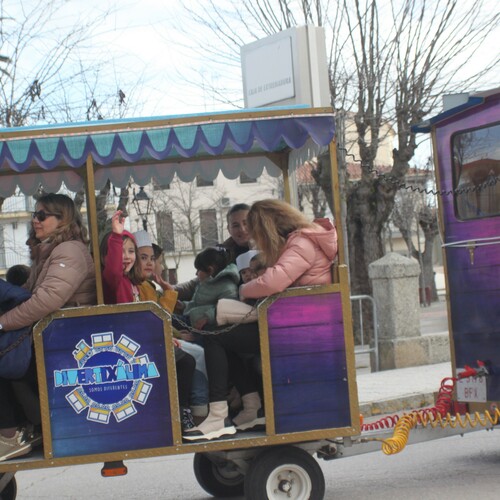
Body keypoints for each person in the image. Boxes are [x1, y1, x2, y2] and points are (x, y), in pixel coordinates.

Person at [184, 199, 338, 441]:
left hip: (295, 330)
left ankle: (221, 414)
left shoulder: (301, 243)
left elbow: (274, 281)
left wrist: (245, 291)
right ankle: (249, 406)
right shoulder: (301, 240)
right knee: (220, 335)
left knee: (215, 336)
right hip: (291, 325)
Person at [0, 193, 96, 461]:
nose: (35, 220)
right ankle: (26, 426)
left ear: (62, 219)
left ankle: (9, 434)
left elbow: (47, 299)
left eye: (42, 215)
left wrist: (2, 322)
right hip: (57, 338)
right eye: (35, 214)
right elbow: (29, 293)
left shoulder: (68, 250)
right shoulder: (50, 251)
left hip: (68, 343)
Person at [100, 212, 196, 434]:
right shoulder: (115, 280)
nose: (126, 257)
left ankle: (181, 413)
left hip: (138, 341)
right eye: (120, 252)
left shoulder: (133, 283)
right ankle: (181, 415)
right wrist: (116, 234)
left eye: (131, 251)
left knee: (186, 361)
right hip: (127, 346)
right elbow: (113, 270)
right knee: (186, 362)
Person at [133, 230, 209, 422]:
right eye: (144, 258)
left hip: (158, 337)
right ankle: (198, 411)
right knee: (196, 356)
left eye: (152, 258)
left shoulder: (147, 286)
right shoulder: (142, 287)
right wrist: (169, 292)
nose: (151, 263)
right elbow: (159, 318)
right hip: (150, 341)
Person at [174, 203, 250, 302]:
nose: (242, 229)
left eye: (246, 223)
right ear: (229, 229)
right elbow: (198, 283)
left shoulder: (270, 251)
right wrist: (166, 290)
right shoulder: (222, 254)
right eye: (236, 225)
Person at [177, 247, 240, 332]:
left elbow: (227, 309)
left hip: (203, 327)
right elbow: (198, 305)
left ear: (210, 270)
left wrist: (207, 318)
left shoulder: (228, 288)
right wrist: (183, 305)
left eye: (198, 270)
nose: (196, 273)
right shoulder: (205, 283)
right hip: (190, 319)